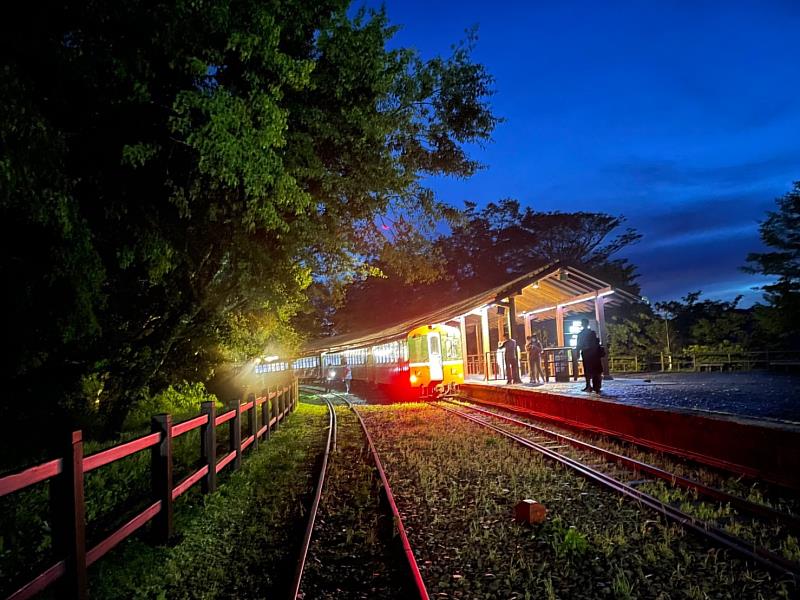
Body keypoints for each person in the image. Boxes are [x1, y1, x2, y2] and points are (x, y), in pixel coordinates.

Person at [575, 318, 599, 392]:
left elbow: (578, 345)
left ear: (582, 324)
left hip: (585, 353)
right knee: (594, 369)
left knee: (587, 369)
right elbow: (596, 342)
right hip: (593, 353)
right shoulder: (592, 333)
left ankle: (588, 385)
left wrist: (577, 353)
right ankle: (596, 386)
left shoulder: (580, 334)